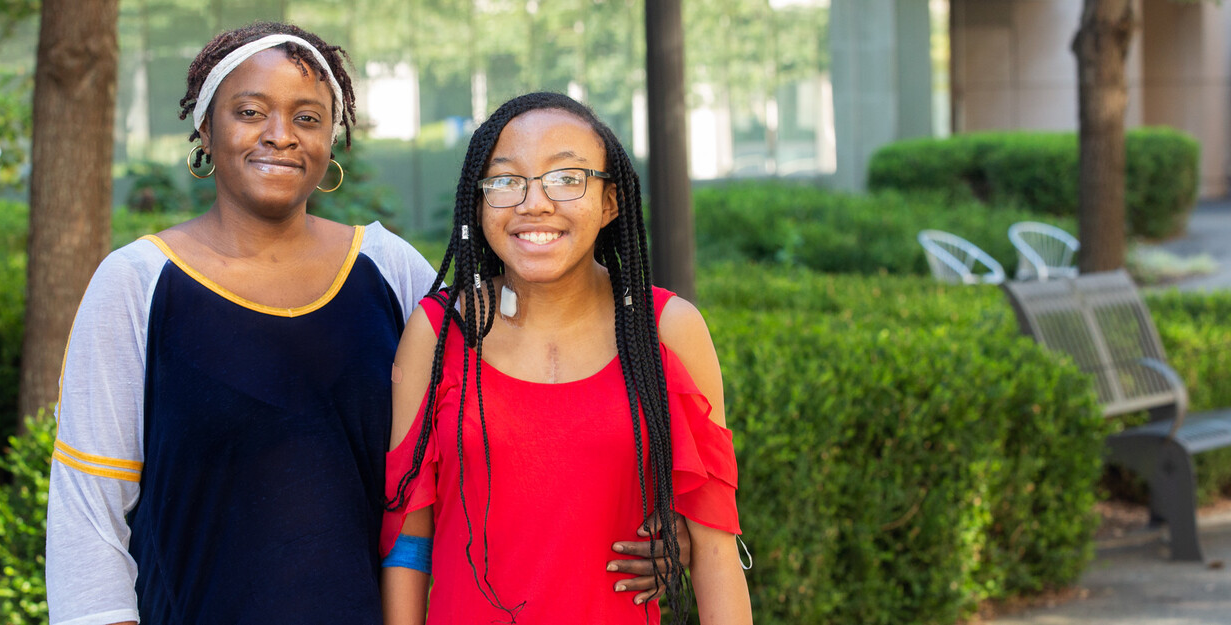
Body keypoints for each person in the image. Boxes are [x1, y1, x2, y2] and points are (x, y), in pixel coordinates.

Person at [45, 24, 683, 625]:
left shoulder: (389, 269)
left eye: (307, 118)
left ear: (332, 141)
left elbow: (511, 420)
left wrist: (663, 524)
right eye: (249, 112)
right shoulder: (136, 284)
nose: (280, 134)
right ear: (205, 131)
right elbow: (88, 514)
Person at [381, 92, 752, 624]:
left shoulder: (667, 330)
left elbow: (715, 548)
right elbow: (406, 546)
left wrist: (681, 539)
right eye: (507, 181)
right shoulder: (438, 333)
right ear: (478, 202)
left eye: (567, 178)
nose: (535, 203)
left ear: (610, 202)